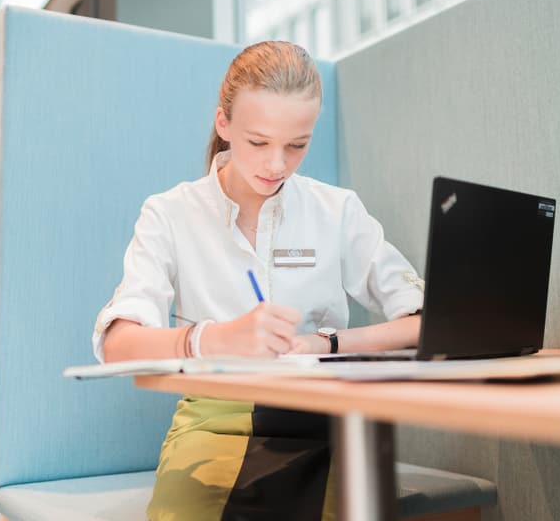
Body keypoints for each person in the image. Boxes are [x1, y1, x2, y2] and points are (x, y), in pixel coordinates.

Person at [93, 41, 423, 520]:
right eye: (258, 142)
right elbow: (117, 343)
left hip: (328, 420)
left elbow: (421, 320)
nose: (276, 166)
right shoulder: (170, 214)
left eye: (297, 145)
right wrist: (215, 337)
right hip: (214, 423)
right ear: (223, 124)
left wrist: (322, 343)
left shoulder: (337, 211)